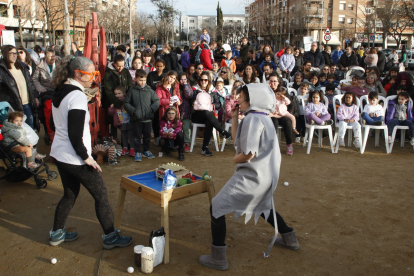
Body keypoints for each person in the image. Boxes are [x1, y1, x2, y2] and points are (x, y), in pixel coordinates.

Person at [199, 83, 299, 271]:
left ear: (254, 100)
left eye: (242, 97)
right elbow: (239, 142)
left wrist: (236, 160)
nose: (238, 99)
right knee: (261, 206)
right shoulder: (261, 117)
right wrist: (235, 117)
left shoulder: (253, 119)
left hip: (252, 176)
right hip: (265, 175)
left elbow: (247, 153)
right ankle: (289, 238)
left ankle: (218, 258)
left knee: (217, 207)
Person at [50, 55, 132, 248]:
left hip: (60, 154)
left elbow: (59, 125)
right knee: (101, 195)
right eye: (91, 73)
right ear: (78, 74)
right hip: (74, 157)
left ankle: (56, 233)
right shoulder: (76, 96)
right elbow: (74, 133)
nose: (94, 77)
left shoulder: (61, 90)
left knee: (69, 194)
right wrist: (86, 157)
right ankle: (111, 236)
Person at [191, 72, 230, 156]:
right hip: (197, 115)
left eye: (206, 80)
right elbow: (192, 102)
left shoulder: (213, 90)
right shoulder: (195, 90)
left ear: (209, 81)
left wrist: (211, 104)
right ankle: (222, 131)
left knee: (209, 121)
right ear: (199, 80)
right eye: (202, 80)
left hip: (208, 116)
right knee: (206, 112)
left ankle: (204, 148)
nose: (203, 81)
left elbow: (219, 104)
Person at [124, 69, 160, 161]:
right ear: (135, 79)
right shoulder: (132, 91)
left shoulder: (150, 90)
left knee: (147, 136)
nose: (142, 82)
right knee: (137, 137)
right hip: (137, 119)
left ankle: (146, 150)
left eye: (144, 80)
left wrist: (151, 109)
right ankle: (138, 152)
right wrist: (133, 111)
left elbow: (156, 100)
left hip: (148, 119)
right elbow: (126, 103)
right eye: (140, 80)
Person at [0, 45, 38, 130]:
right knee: (17, 133)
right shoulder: (2, 69)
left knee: (30, 130)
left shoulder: (22, 67)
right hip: (13, 107)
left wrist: (35, 97)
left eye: (15, 53)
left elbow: (30, 83)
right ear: (5, 54)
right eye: (11, 53)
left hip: (27, 104)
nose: (14, 55)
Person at [103, 54, 133, 139]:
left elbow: (130, 85)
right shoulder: (108, 74)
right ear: (114, 64)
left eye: (122, 66)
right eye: (118, 66)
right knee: (114, 122)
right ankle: (114, 140)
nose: (120, 68)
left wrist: (127, 99)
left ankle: (126, 143)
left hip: (125, 100)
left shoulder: (125, 71)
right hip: (113, 101)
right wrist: (118, 103)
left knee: (127, 122)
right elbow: (108, 91)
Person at [268, 73, 298, 154]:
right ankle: (271, 146)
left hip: (283, 114)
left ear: (278, 82)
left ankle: (289, 144)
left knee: (287, 122)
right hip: (272, 114)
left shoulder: (282, 91)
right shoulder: (266, 91)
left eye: (274, 81)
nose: (272, 83)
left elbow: (291, 104)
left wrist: (286, 113)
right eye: (271, 81)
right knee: (274, 122)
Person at [107, 86, 135, 156]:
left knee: (131, 136)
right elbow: (111, 113)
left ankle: (132, 148)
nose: (117, 95)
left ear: (124, 93)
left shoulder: (127, 101)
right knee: (124, 136)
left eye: (119, 93)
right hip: (121, 122)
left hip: (129, 121)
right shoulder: (115, 103)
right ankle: (125, 148)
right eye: (115, 94)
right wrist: (111, 108)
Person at [177, 72, 193, 152]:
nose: (183, 81)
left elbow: (189, 95)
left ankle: (187, 143)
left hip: (186, 112)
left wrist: (185, 85)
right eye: (181, 79)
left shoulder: (188, 87)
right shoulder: (176, 87)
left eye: (185, 79)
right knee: (178, 128)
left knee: (186, 128)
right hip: (177, 111)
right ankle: (179, 143)